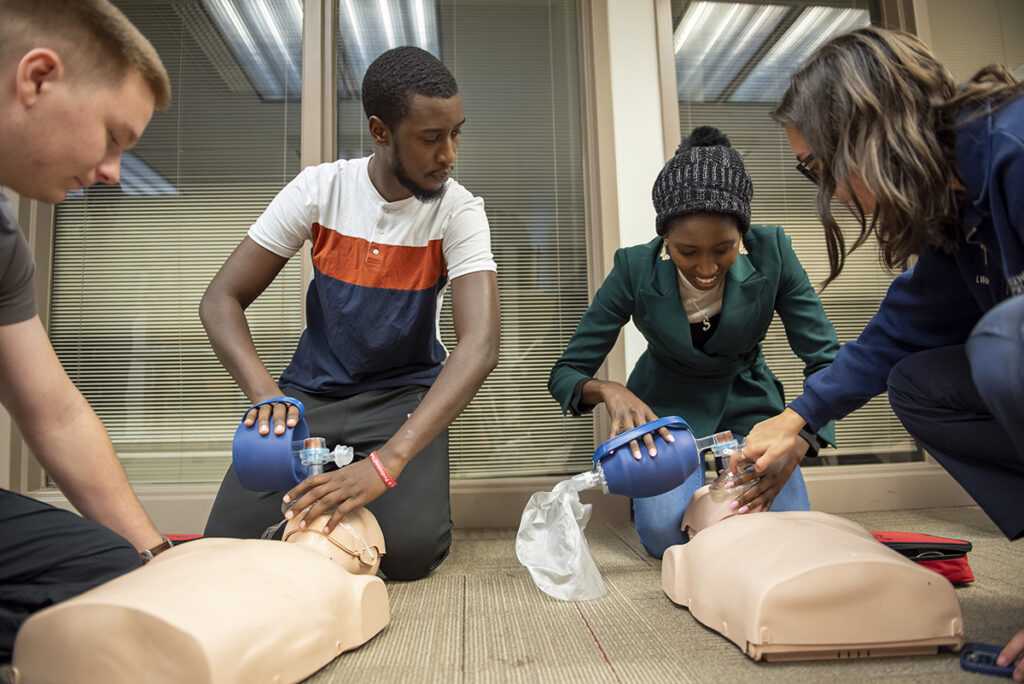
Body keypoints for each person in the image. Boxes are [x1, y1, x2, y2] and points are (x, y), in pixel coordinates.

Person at [736, 26, 1024, 680]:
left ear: (867, 134)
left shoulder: (1013, 149)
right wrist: (800, 420)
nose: (830, 192)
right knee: (920, 383)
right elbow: (898, 331)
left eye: (817, 166)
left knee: (1007, 343)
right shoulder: (956, 206)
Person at [201, 46, 500, 581]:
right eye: (431, 138)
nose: (449, 154)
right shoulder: (320, 190)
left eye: (457, 133)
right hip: (310, 393)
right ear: (381, 132)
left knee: (411, 554)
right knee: (224, 545)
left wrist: (389, 462)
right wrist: (266, 395)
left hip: (402, 397)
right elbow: (220, 300)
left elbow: (479, 345)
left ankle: (350, 508)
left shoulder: (459, 210)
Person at [548, 126, 839, 558]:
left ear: (742, 233)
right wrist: (610, 389)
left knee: (783, 532)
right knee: (668, 539)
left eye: (724, 248)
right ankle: (675, 494)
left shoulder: (773, 251)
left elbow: (825, 358)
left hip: (749, 403)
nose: (706, 267)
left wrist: (800, 438)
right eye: (687, 252)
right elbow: (566, 372)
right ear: (665, 237)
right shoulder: (633, 269)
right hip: (665, 414)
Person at [0, 0, 172, 659]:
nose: (112, 172)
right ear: (37, 78)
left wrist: (158, 559)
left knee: (107, 571)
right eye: (112, 138)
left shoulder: (4, 244)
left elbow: (54, 414)